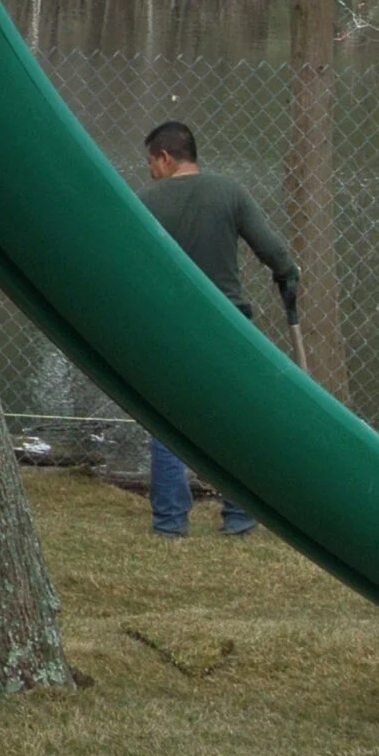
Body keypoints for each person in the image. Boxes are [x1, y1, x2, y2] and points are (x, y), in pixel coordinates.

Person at [136, 119, 299, 539]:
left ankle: (170, 521)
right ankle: (239, 515)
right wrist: (287, 274)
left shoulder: (145, 202)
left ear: (165, 158)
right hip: (227, 319)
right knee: (235, 417)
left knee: (168, 420)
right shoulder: (229, 191)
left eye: (151, 162)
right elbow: (270, 248)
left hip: (172, 321)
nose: (150, 172)